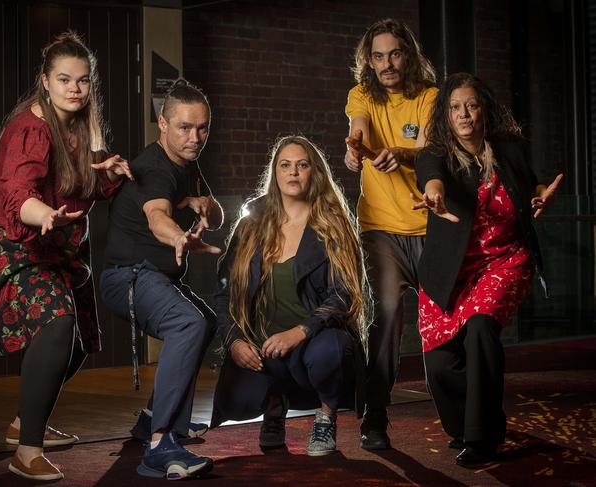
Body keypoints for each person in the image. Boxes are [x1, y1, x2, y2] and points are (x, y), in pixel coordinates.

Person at [0, 32, 132, 481]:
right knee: (57, 323)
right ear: (45, 81)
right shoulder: (30, 128)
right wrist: (44, 215)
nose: (74, 88)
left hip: (57, 245)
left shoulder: (77, 125)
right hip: (16, 243)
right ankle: (27, 452)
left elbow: (83, 180)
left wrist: (110, 174)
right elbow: (19, 194)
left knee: (78, 339)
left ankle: (23, 424)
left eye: (83, 80)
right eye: (64, 79)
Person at [412, 72, 562, 467]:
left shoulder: (508, 149)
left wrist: (538, 196)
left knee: (480, 329)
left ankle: (483, 438)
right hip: (451, 269)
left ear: (484, 110)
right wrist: (434, 195)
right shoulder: (436, 153)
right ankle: (466, 427)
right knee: (441, 365)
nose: (465, 115)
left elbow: (529, 185)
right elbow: (431, 178)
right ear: (446, 114)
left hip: (505, 259)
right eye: (456, 107)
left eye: (472, 105)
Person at [211, 135, 369, 457]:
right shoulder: (251, 225)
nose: (293, 172)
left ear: (314, 173)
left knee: (333, 350)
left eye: (302, 165)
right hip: (263, 345)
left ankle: (325, 416)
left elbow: (344, 295)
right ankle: (273, 406)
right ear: (275, 173)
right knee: (240, 394)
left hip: (311, 340)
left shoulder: (332, 224)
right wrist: (235, 342)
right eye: (285, 165)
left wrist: (300, 332)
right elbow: (222, 294)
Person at [99, 80, 222, 479]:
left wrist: (205, 206)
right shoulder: (155, 168)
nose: (195, 138)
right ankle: (159, 443)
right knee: (188, 322)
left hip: (153, 278)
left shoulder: (190, 163)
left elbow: (214, 217)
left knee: (206, 321)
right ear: (162, 125)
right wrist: (178, 236)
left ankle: (152, 417)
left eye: (202, 127)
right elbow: (157, 217)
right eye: (185, 128)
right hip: (129, 278)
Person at [344, 18, 437, 450]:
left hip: (429, 226)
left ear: (409, 55)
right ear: (369, 61)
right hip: (380, 229)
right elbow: (358, 126)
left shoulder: (430, 98)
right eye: (378, 56)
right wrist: (355, 146)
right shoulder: (361, 94)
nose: (387, 63)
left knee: (445, 323)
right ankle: (374, 419)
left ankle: (460, 415)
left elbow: (434, 153)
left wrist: (400, 153)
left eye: (394, 54)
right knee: (385, 317)